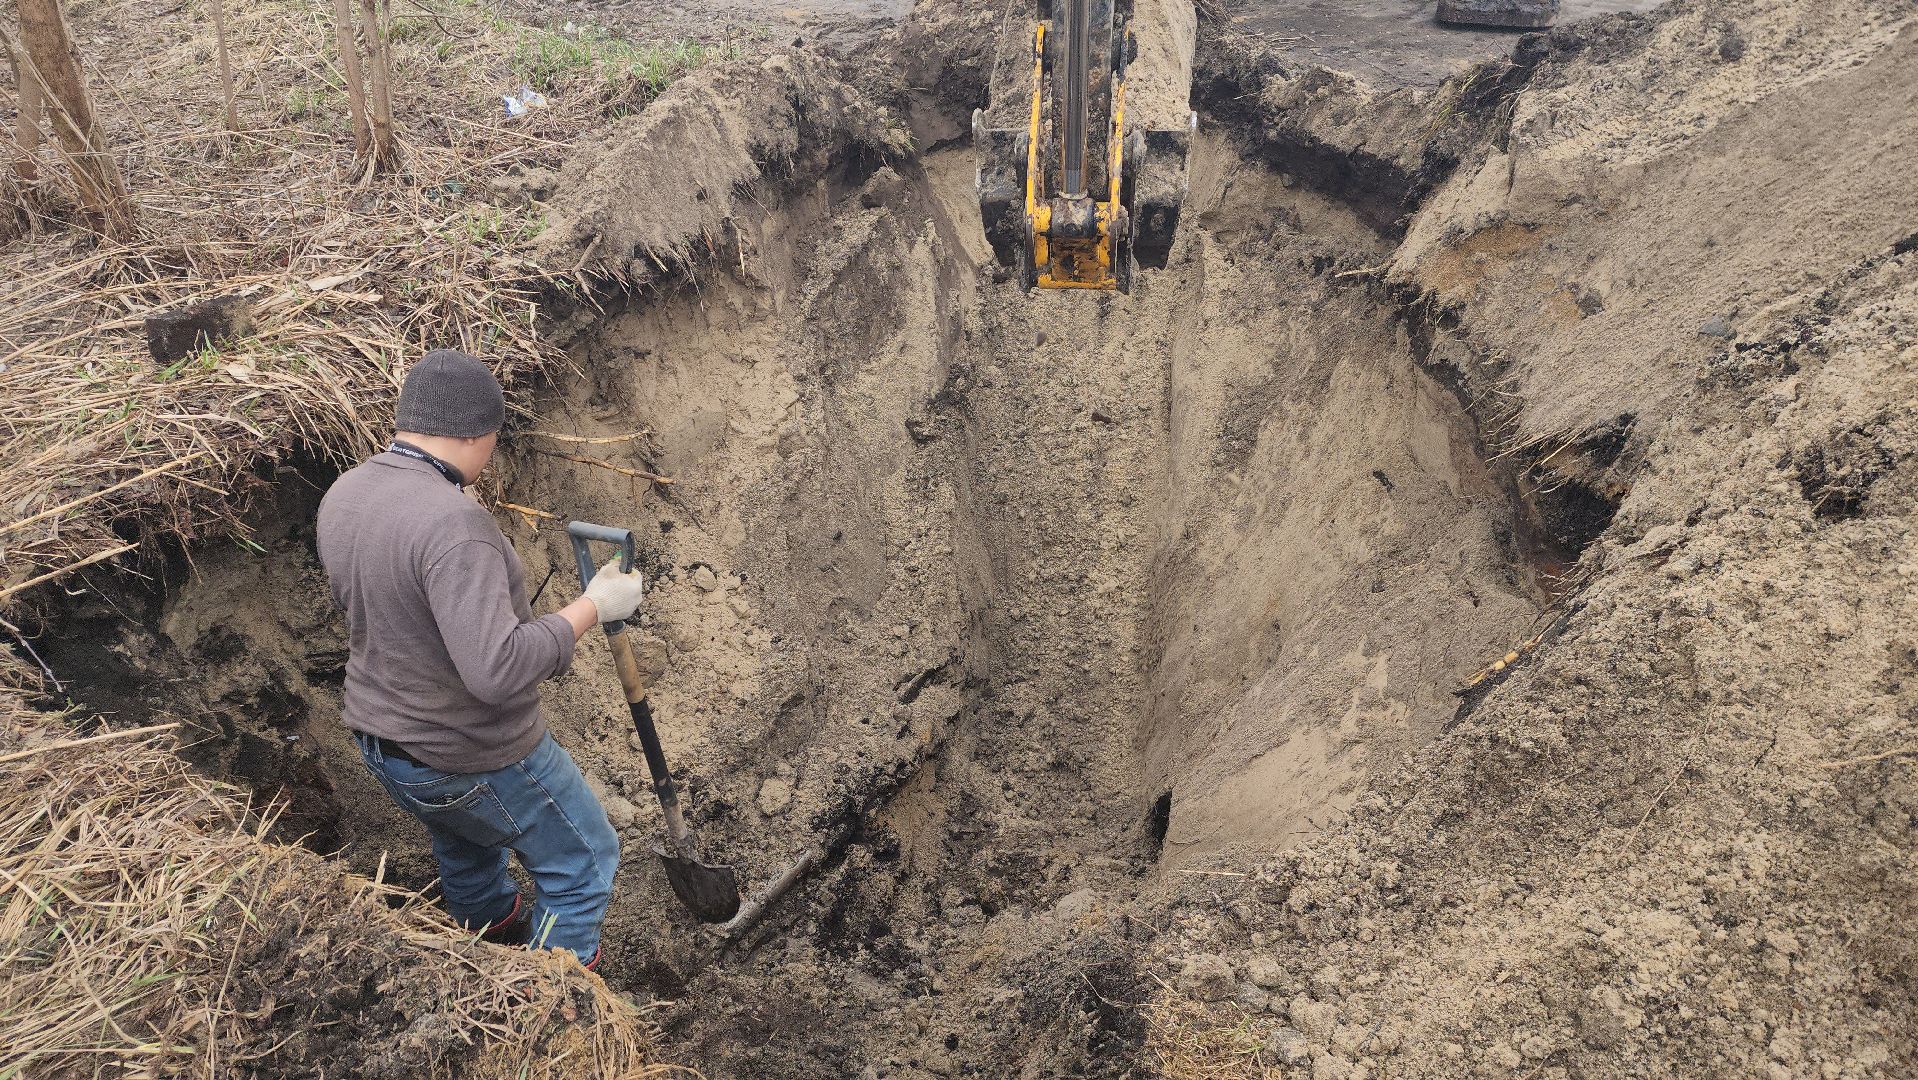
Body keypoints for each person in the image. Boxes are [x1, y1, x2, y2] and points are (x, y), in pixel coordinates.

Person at [315, 348, 645, 969]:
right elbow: (496, 671)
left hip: (389, 746)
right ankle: (546, 1013)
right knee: (585, 859)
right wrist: (592, 607)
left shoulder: (348, 493)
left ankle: (489, 932)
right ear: (478, 433)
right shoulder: (454, 525)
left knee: (465, 836)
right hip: (469, 753)